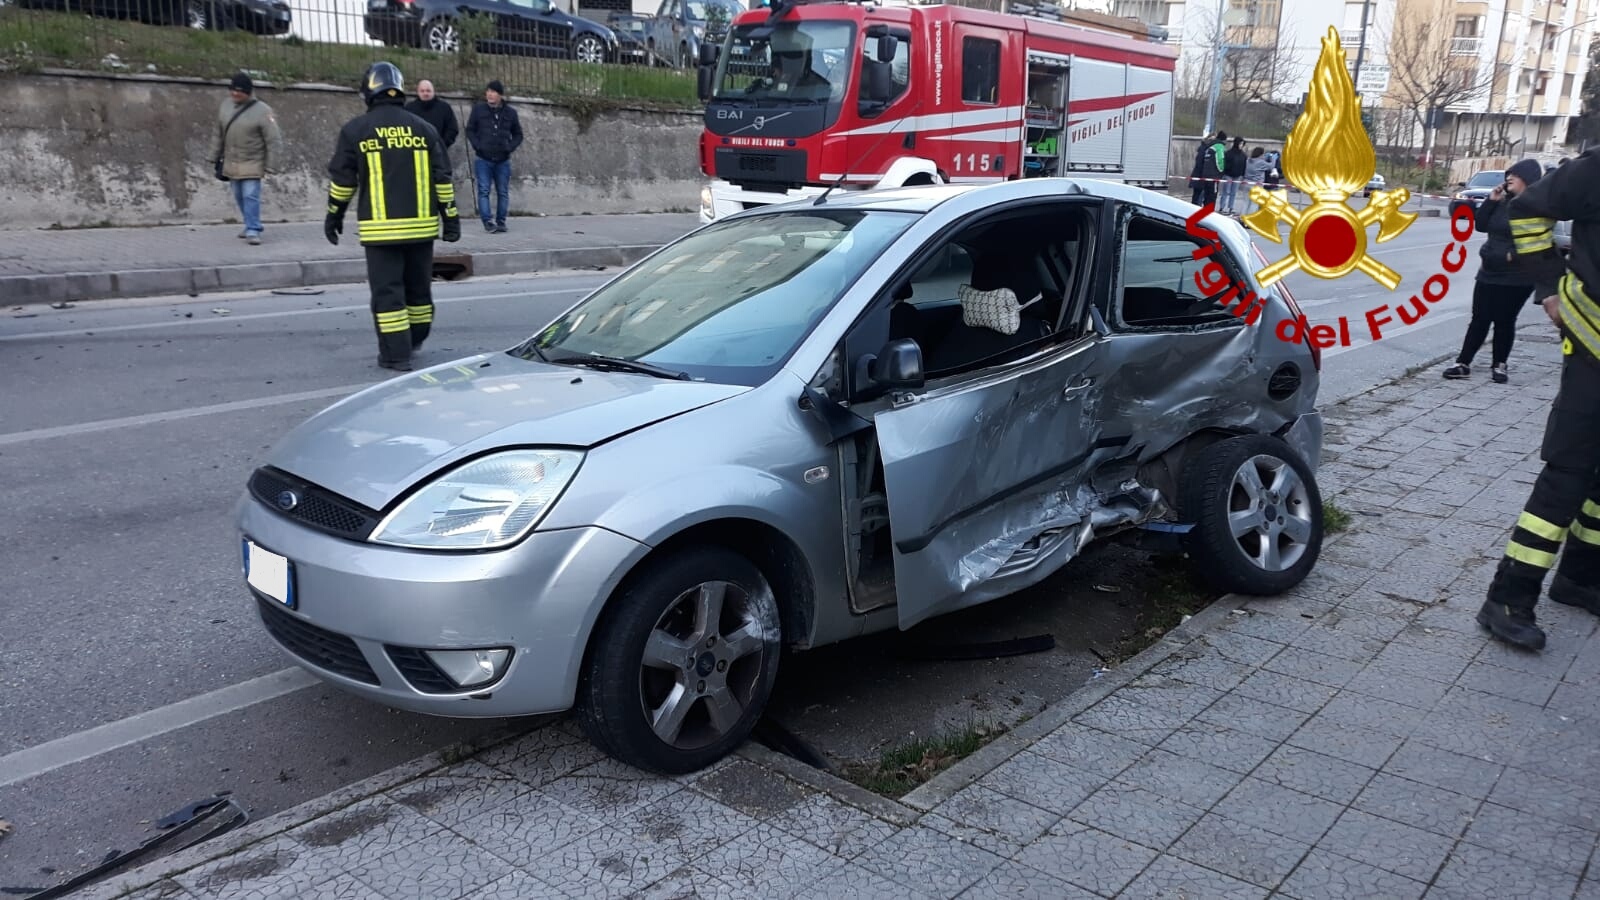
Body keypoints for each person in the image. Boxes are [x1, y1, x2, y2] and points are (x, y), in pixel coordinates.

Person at [1472, 147, 1600, 651]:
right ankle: (1509, 596)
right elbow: (1526, 212)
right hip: (1592, 340)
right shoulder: (1596, 168)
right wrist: (1549, 288)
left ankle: (1580, 578)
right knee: (1568, 472)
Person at [324, 61, 461, 372]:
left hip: (381, 233)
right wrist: (451, 220)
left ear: (368, 93)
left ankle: (395, 355)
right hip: (421, 230)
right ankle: (415, 339)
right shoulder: (424, 129)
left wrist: (334, 216)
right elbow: (443, 179)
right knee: (418, 291)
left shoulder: (355, 131)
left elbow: (343, 182)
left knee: (388, 295)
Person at [1441, 159, 1544, 384]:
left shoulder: (1536, 206)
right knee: (1479, 318)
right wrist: (1491, 201)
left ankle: (1500, 364)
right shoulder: (1502, 202)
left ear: (1527, 179)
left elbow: (1540, 240)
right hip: (1489, 270)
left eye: (1513, 176)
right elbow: (1481, 225)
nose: (1508, 179)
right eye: (1507, 176)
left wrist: (1513, 257)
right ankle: (1463, 363)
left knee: (1504, 320)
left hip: (1518, 276)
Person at [210, 71, 283, 246]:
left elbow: (273, 140)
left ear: (248, 92)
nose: (235, 93)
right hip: (231, 161)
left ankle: (253, 229)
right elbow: (218, 133)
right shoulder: (225, 106)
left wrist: (271, 165)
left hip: (253, 161)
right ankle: (249, 223)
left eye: (239, 91)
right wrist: (213, 155)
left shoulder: (263, 111)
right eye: (233, 90)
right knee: (239, 196)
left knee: (250, 195)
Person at [465, 80, 523, 234]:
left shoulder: (511, 113)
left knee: (502, 191)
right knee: (484, 190)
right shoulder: (478, 110)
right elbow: (470, 130)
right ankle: (488, 221)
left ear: (500, 95)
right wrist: (478, 145)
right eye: (488, 91)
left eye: (493, 92)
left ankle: (501, 221)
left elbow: (518, 134)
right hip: (483, 158)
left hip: (503, 160)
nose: (490, 94)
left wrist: (509, 147)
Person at [405, 79, 459, 149]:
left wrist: (442, 145)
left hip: (439, 152)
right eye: (422, 91)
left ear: (433, 91)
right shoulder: (409, 108)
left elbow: (452, 129)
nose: (425, 93)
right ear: (418, 92)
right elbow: (404, 129)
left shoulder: (444, 107)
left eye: (428, 91)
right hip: (416, 151)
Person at [1220, 136, 1248, 215]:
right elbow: (1225, 164)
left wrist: (1242, 175)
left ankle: (1230, 207)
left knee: (1234, 192)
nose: (1241, 145)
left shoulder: (1243, 155)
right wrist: (1225, 172)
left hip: (1237, 176)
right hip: (1228, 175)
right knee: (1226, 191)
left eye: (1242, 144)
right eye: (1240, 143)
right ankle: (1222, 207)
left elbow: (1244, 165)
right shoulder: (1229, 153)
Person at [1242, 146, 1271, 214]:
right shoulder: (1261, 162)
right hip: (1256, 184)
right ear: (1261, 154)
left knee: (1246, 202)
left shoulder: (1248, 160)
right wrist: (1273, 159)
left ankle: (1242, 217)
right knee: (1254, 203)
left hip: (1246, 182)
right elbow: (1271, 166)